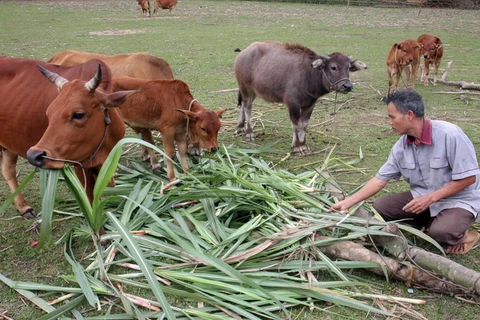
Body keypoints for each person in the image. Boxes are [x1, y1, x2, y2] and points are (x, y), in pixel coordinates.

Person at [329, 89, 480, 254]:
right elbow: (380, 179)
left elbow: (468, 178)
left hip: (459, 199)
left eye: (392, 117)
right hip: (423, 195)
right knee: (381, 207)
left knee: (441, 233)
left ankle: (460, 234)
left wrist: (430, 198)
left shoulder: (450, 135)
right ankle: (432, 221)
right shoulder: (401, 146)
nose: (390, 122)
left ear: (409, 115)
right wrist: (347, 202)